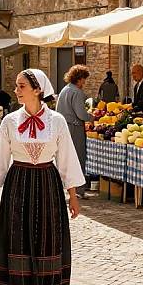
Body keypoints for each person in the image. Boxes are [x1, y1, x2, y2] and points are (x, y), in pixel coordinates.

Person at [0, 69, 84, 285]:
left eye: (21, 86)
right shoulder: (9, 121)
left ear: (37, 89)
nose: (16, 90)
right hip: (18, 183)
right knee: (20, 240)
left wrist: (73, 196)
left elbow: (67, 159)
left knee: (46, 241)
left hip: (47, 184)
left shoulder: (57, 121)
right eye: (16, 86)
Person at [56, 65, 92, 198]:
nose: (84, 82)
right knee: (78, 158)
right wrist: (91, 117)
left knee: (66, 159)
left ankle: (68, 188)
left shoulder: (65, 89)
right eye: (84, 79)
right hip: (75, 128)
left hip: (64, 127)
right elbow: (81, 114)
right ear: (79, 79)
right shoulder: (77, 92)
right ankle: (79, 190)